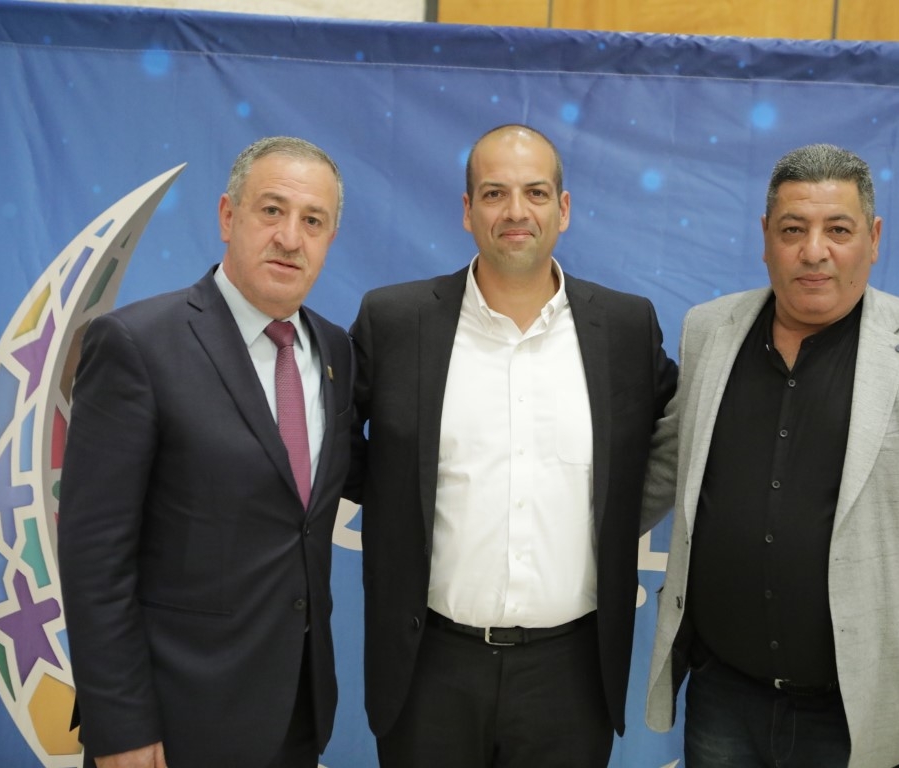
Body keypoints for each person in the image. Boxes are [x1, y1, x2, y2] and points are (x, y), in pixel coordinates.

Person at [644, 143, 899, 768]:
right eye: (794, 230)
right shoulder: (708, 330)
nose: (814, 251)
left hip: (865, 711)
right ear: (766, 237)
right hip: (723, 698)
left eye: (838, 230)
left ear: (873, 238)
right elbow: (663, 469)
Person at [350, 123, 677, 768]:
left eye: (536, 192)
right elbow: (334, 440)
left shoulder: (624, 328)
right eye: (495, 193)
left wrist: (616, 521)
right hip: (429, 667)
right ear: (468, 210)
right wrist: (397, 505)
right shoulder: (395, 321)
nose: (516, 211)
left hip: (572, 676)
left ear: (564, 208)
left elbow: (682, 431)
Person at [59, 136, 360, 768]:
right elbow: (94, 559)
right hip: (174, 722)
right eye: (271, 210)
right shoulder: (136, 344)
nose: (290, 238)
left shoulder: (335, 351)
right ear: (228, 216)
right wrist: (120, 725)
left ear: (330, 238)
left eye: (313, 221)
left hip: (296, 715)